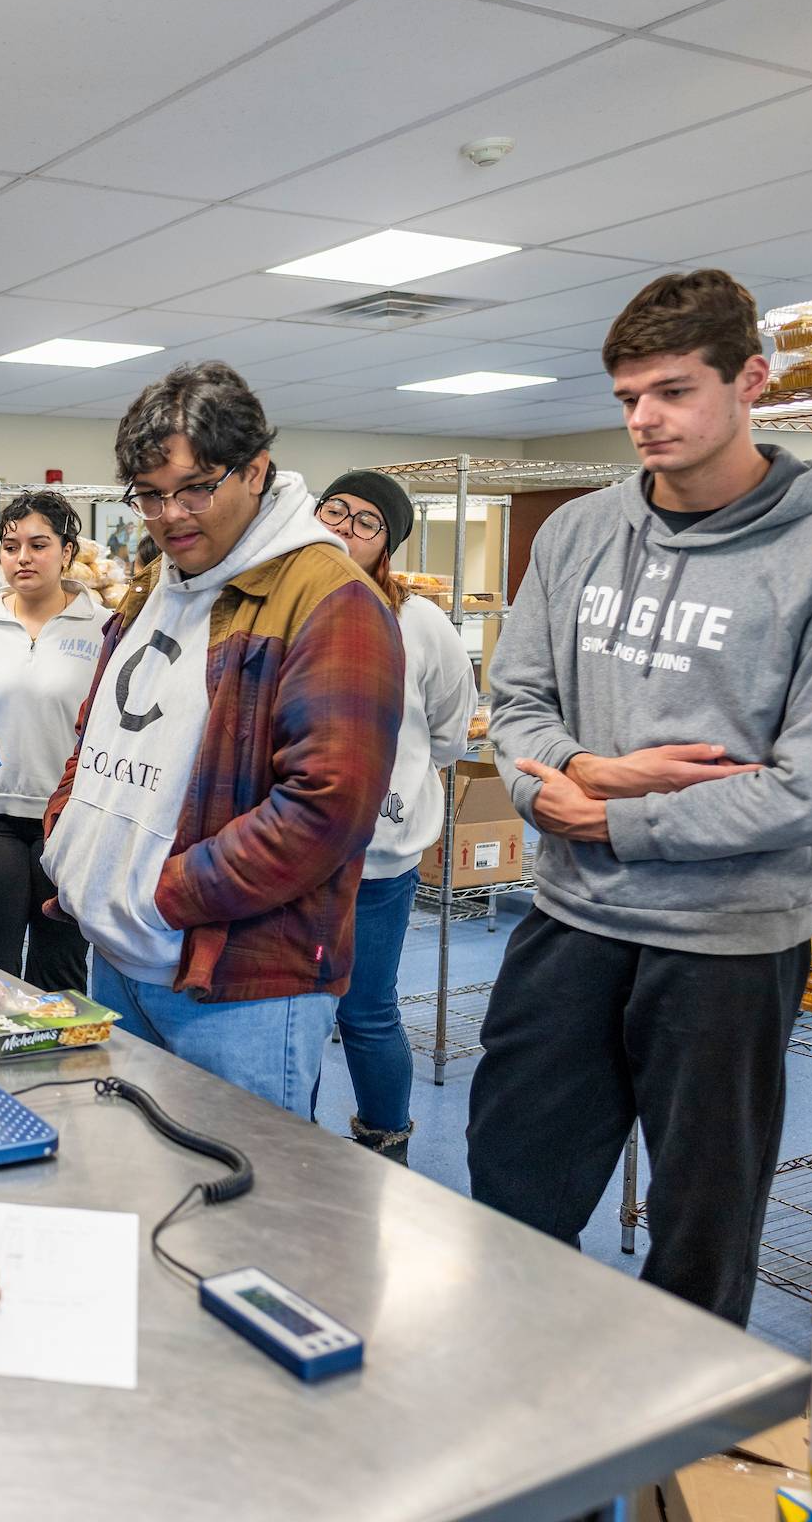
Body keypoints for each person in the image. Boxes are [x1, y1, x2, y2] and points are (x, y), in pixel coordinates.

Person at [470, 269, 812, 1325]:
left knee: (702, 1229)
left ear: (751, 380)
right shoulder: (579, 532)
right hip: (569, 921)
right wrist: (586, 774)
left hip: (726, 947)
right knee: (509, 1191)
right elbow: (515, 702)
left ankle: (683, 1427)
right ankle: (520, 1401)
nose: (644, 420)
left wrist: (613, 819)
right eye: (628, 397)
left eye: (672, 391)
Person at [43, 362, 404, 1114]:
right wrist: (69, 838)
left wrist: (160, 894)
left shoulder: (332, 600)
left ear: (257, 471)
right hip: (119, 955)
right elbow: (99, 730)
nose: (170, 515)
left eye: (196, 489)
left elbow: (326, 809)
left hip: (239, 985)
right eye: (149, 495)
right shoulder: (161, 579)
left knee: (240, 1183)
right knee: (131, 1170)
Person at [313, 471, 475, 1165]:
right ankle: (290, 1144)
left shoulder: (420, 623)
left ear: (387, 546)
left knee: (365, 1010)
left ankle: (387, 1146)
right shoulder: (280, 603)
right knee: (292, 1011)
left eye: (366, 522)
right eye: (335, 510)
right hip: (286, 851)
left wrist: (391, 780)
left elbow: (450, 732)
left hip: (377, 856)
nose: (344, 529)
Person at [0, 491, 103, 991]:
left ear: (67, 551)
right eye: (11, 547)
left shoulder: (102, 628)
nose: (23, 558)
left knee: (61, 966)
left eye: (39, 545)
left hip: (69, 818)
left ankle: (62, 1044)